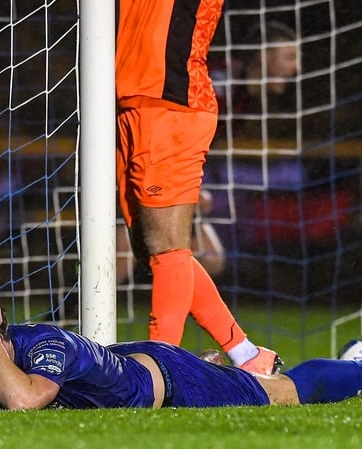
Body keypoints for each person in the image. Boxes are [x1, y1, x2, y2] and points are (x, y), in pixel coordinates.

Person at [0, 289, 362, 413]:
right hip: (138, 364)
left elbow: (25, 402)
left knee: (285, 395)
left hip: (171, 382)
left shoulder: (39, 347)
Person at [115, 0, 281, 374]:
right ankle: (245, 354)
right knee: (151, 249)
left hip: (171, 103)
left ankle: (160, 368)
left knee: (166, 248)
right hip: (131, 104)